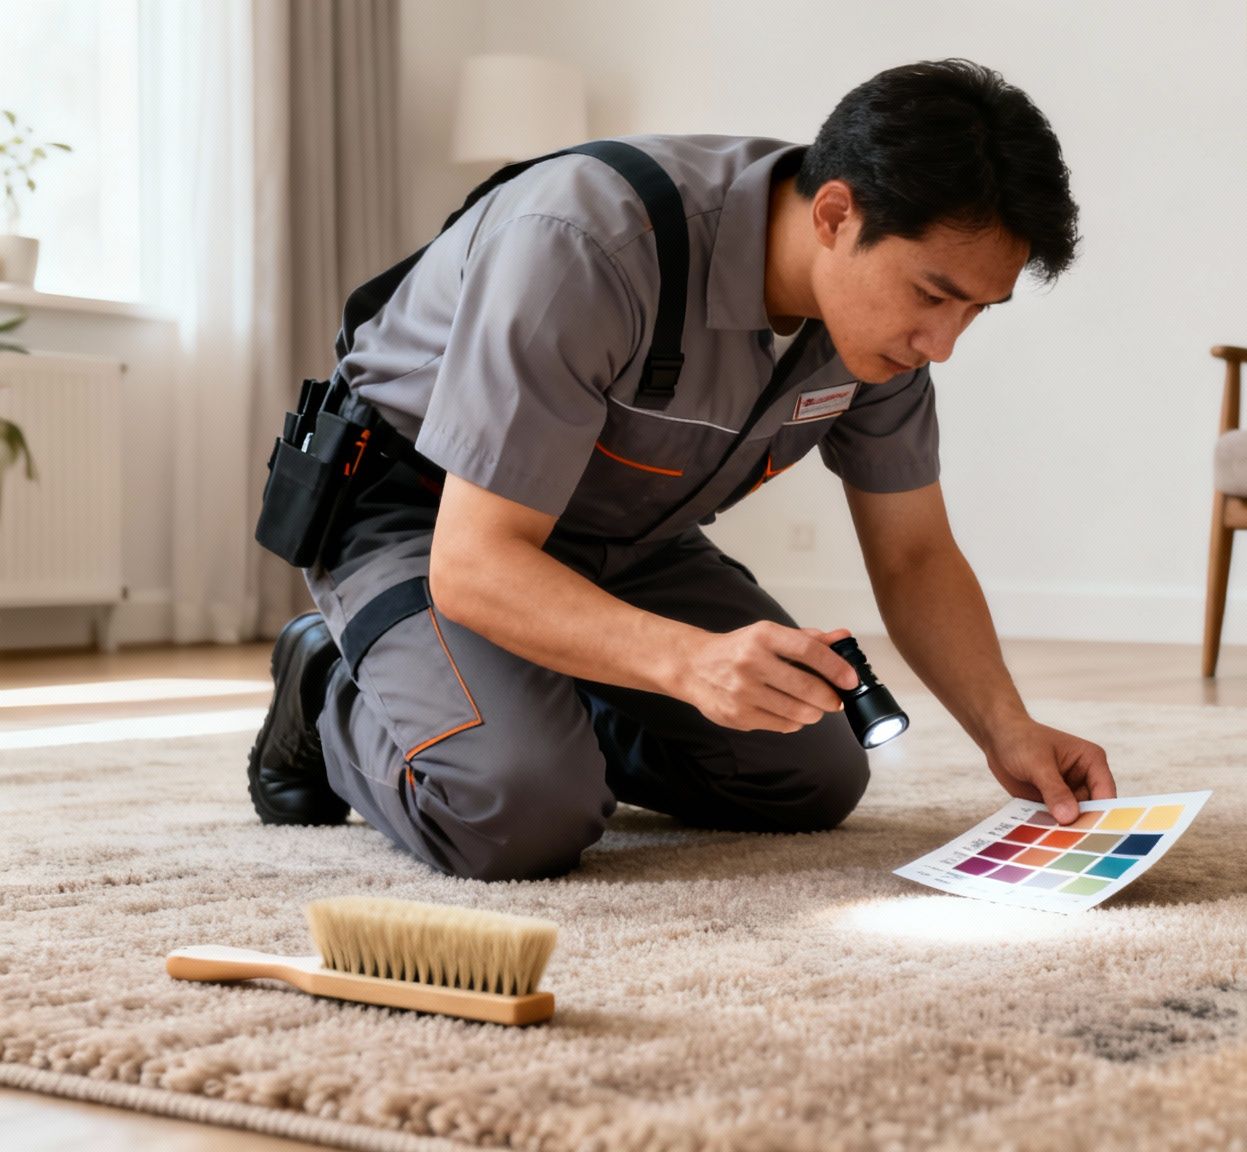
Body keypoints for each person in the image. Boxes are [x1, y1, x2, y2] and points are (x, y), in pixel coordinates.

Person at [246, 59, 1116, 880]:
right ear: (835, 216)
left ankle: (539, 702)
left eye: (977, 309)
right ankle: (329, 681)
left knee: (810, 773)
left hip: (624, 532)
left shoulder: (879, 344)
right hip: (433, 519)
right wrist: (683, 662)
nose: (944, 344)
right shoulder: (583, 242)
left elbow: (915, 553)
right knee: (516, 810)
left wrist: (1006, 729)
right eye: (932, 294)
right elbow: (477, 563)